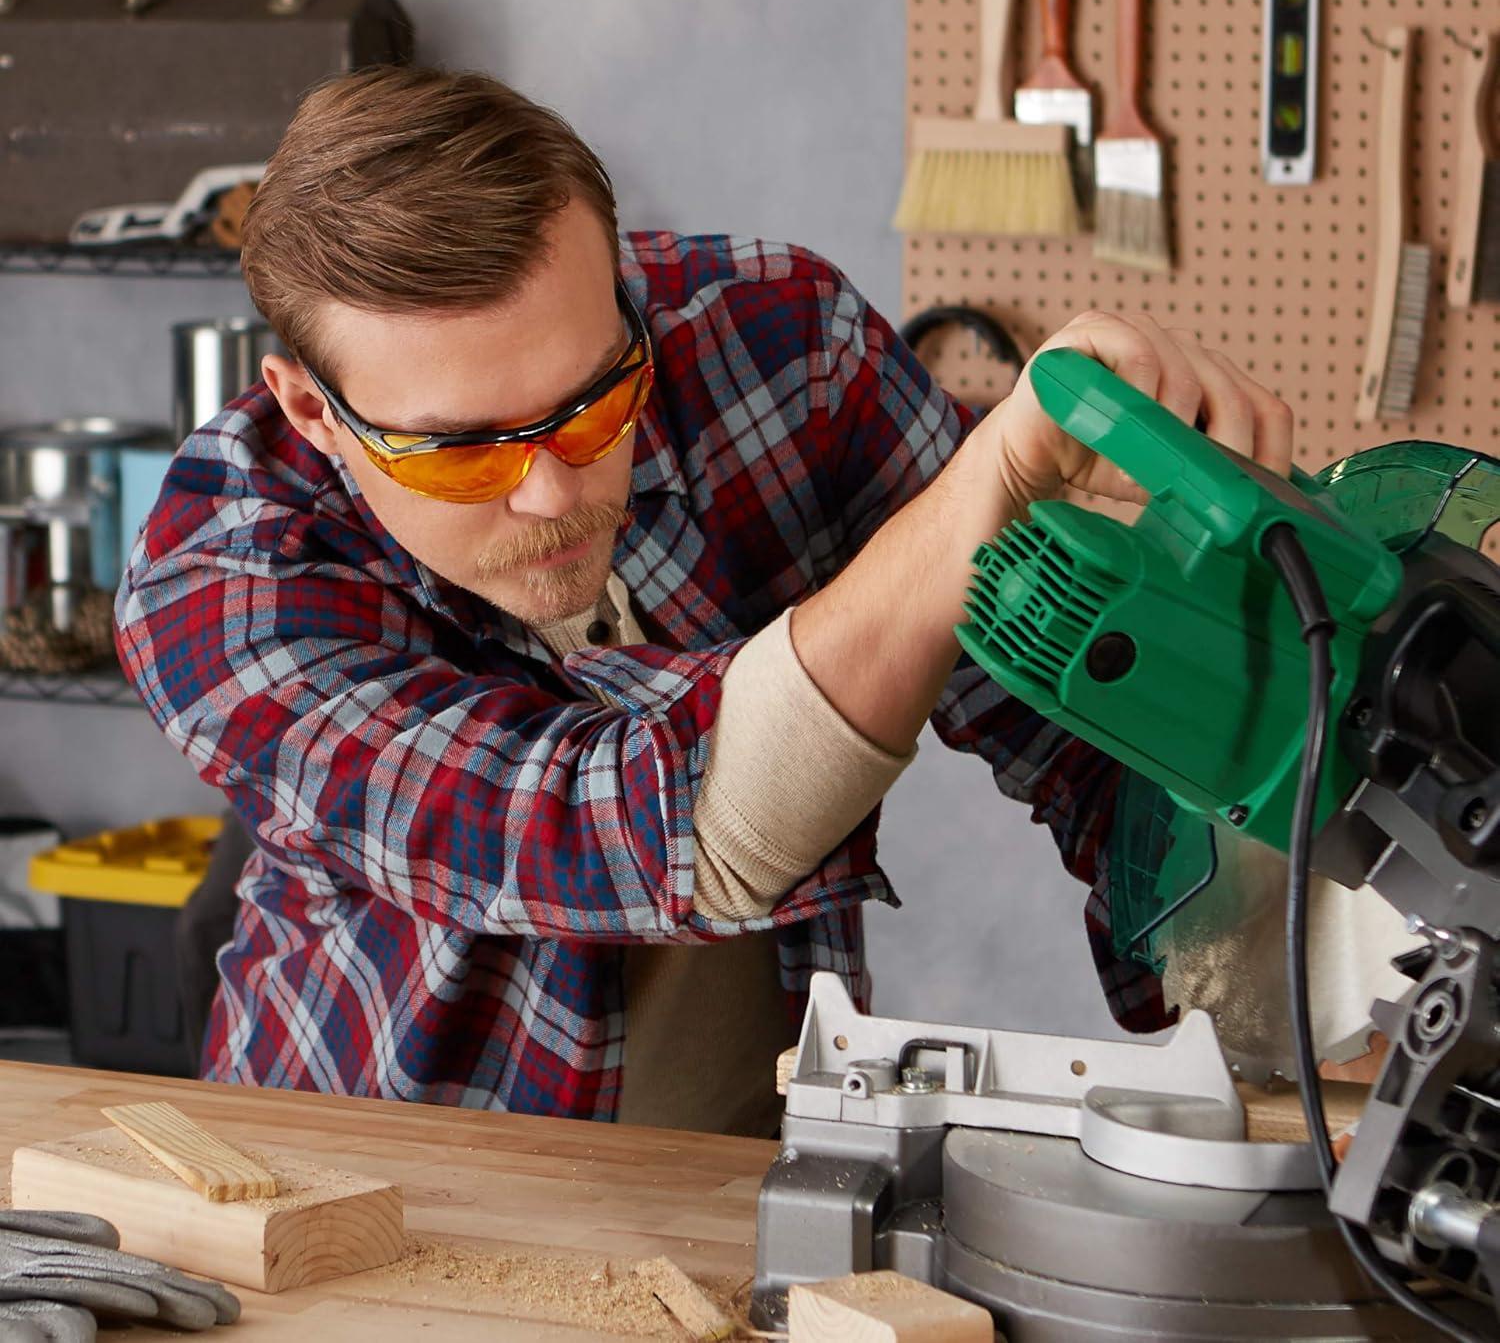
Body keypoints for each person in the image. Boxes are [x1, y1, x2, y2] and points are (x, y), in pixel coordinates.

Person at [115, 66, 1293, 1136]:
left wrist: (1264, 998)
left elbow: (1084, 724)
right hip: (383, 1169)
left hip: (742, 1152)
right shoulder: (220, 578)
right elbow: (638, 833)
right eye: (461, 453)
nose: (551, 494)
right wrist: (977, 495)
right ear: (313, 410)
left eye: (591, 404)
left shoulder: (783, 344)